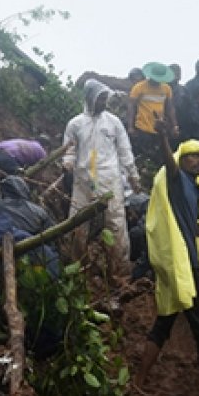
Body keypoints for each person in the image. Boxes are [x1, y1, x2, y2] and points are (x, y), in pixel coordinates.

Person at [135, 124, 199, 396]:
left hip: (184, 266)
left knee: (163, 322)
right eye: (193, 156)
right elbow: (168, 161)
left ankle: (138, 383)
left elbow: (191, 225)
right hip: (184, 268)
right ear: (182, 159)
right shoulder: (177, 181)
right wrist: (164, 137)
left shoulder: (195, 189)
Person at [63, 79, 141, 275]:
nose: (103, 103)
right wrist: (68, 163)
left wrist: (133, 175)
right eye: (100, 99)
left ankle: (119, 273)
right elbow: (69, 150)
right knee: (77, 226)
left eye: (105, 99)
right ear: (90, 98)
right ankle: (78, 271)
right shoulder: (75, 123)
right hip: (83, 182)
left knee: (115, 226)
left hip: (110, 181)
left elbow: (125, 150)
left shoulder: (113, 123)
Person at [128, 62, 178, 156]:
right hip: (142, 128)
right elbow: (131, 107)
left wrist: (174, 126)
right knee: (143, 156)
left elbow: (170, 108)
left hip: (160, 129)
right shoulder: (138, 87)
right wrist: (130, 127)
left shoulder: (166, 89)